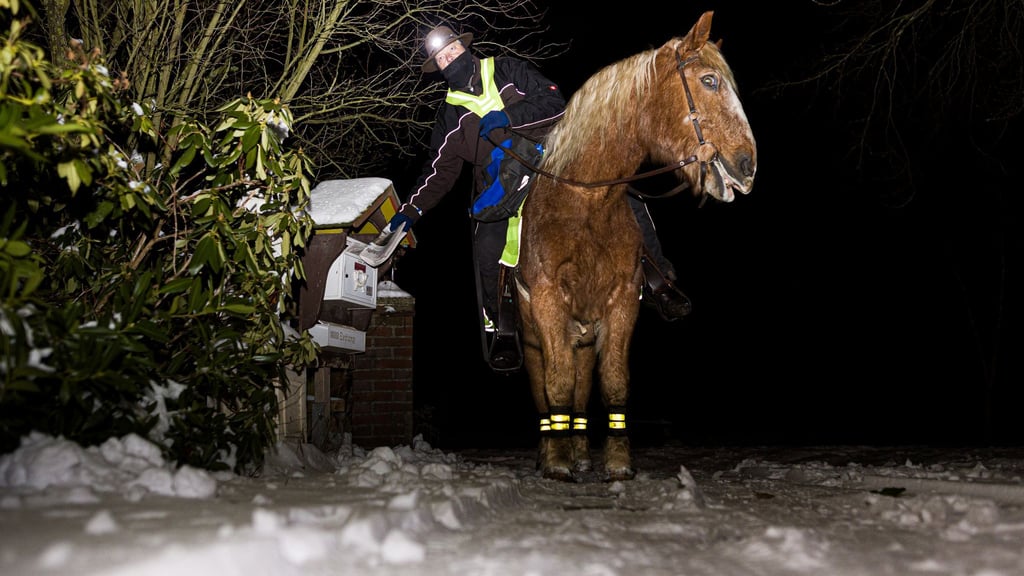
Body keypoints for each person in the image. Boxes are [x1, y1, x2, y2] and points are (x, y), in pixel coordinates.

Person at [388, 24, 691, 372]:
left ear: (464, 47)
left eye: (452, 50)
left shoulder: (506, 69)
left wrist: (509, 118)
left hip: (552, 155)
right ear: (438, 69)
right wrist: (410, 210)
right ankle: (502, 326)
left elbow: (554, 101)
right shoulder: (450, 114)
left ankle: (658, 281)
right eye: (442, 58)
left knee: (617, 189)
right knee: (486, 244)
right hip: (503, 182)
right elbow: (439, 170)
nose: (449, 59)